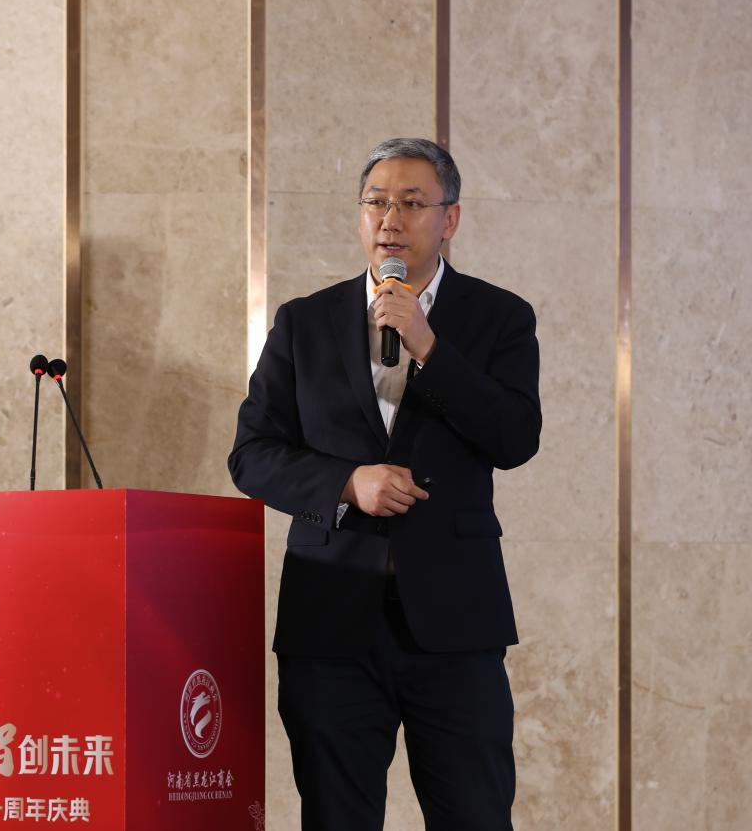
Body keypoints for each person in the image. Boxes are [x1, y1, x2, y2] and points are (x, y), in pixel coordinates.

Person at [228, 137, 541, 830]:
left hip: (455, 624)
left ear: (449, 219)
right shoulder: (304, 322)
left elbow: (516, 438)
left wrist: (430, 347)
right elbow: (252, 455)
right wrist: (347, 482)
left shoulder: (500, 317)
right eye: (376, 202)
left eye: (411, 203)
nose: (390, 219)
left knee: (475, 816)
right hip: (331, 622)